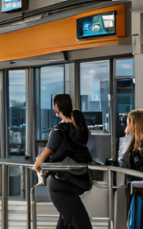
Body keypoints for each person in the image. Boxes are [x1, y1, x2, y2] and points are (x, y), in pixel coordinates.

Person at [34, 94, 93, 229]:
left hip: (61, 182)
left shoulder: (58, 130)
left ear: (58, 107)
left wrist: (37, 164)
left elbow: (45, 154)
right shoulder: (81, 129)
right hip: (79, 179)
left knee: (75, 221)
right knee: (68, 219)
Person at [122, 109, 143, 227]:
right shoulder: (137, 148)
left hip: (140, 192)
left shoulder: (138, 150)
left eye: (129, 125)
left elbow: (124, 165)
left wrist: (127, 140)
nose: (126, 129)